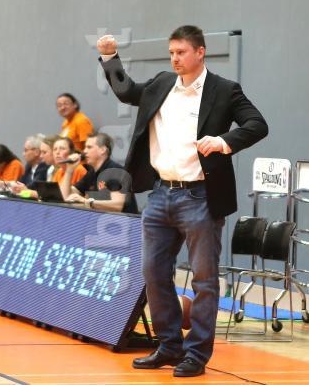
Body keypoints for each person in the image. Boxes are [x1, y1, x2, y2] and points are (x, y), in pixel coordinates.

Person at [97, 25, 268, 377]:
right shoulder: (162, 83)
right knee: (153, 272)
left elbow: (257, 124)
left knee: (203, 279)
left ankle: (196, 354)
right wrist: (110, 58)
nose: (175, 58)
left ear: (200, 52)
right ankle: (169, 345)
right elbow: (127, 91)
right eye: (172, 52)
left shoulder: (224, 90)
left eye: (181, 52)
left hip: (200, 196)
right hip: (161, 193)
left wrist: (224, 142)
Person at [59, 132, 138, 214]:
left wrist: (86, 201)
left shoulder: (115, 171)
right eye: (85, 147)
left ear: (102, 150)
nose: (84, 151)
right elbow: (64, 197)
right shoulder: (91, 173)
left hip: (123, 221)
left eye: (89, 147)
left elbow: (117, 206)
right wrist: (69, 170)